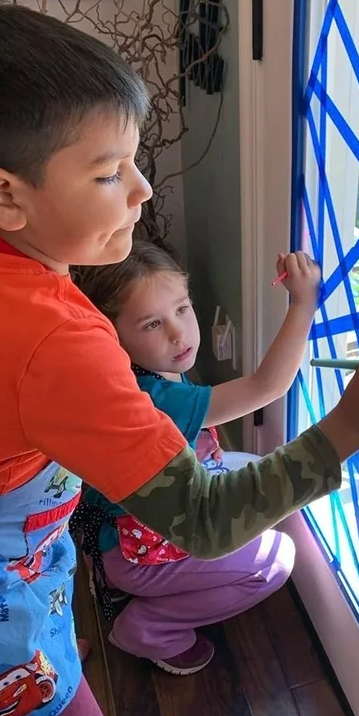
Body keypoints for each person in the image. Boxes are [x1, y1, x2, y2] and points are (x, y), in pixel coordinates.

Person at [0, 0, 359, 716]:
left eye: (134, 162)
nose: (143, 189)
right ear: (5, 195)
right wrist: (348, 427)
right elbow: (202, 518)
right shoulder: (61, 340)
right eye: (110, 173)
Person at [72, 241, 321, 675]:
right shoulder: (152, 396)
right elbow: (266, 386)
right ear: (112, 337)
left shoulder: (139, 373)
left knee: (252, 478)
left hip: (122, 530)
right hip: (135, 550)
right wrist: (303, 302)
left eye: (182, 309)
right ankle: (148, 629)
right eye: (152, 324)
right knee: (277, 559)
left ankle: (118, 583)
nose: (178, 333)